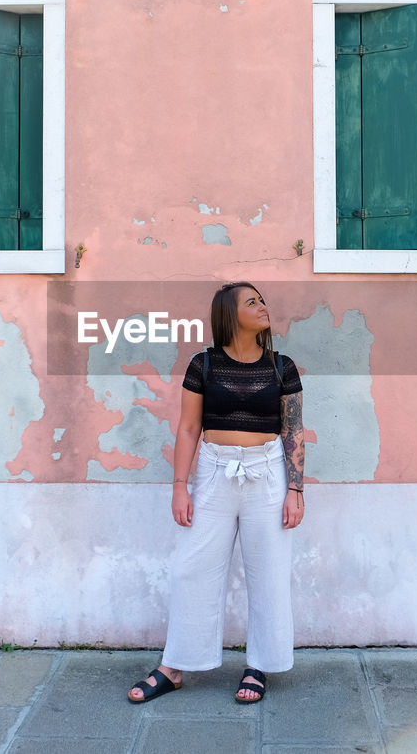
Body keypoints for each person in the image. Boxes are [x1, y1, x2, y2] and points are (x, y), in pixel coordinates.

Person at [128, 281, 305, 704]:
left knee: (269, 571)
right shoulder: (202, 365)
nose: (263, 306)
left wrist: (295, 488)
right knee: (191, 568)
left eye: (262, 300)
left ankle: (258, 664)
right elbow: (189, 428)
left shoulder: (283, 367)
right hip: (213, 472)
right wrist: (180, 486)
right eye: (252, 302)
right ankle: (174, 666)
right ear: (230, 314)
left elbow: (293, 430)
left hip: (267, 474)